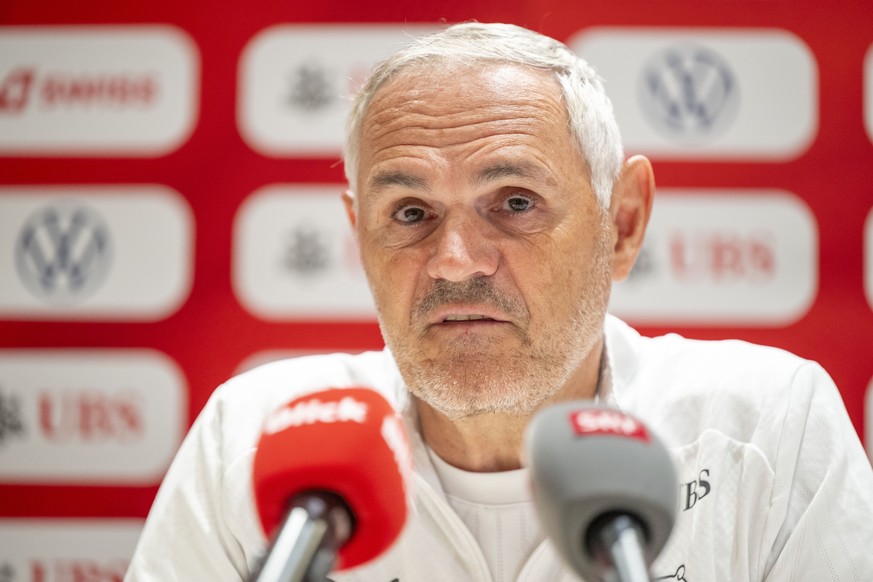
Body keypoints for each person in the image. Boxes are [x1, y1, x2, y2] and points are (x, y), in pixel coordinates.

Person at [125, 22, 873, 581]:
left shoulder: (768, 426)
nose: (456, 263)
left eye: (513, 203)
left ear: (622, 222)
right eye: (411, 214)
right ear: (358, 234)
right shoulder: (252, 439)